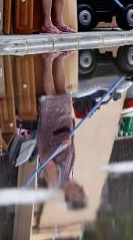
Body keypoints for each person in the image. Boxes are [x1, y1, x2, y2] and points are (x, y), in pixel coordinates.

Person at [37, 50, 87, 210]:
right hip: (64, 127)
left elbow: (44, 157)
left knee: (51, 97)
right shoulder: (68, 176)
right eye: (83, 192)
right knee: (63, 94)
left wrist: (63, 145)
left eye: (79, 193)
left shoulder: (56, 181)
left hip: (51, 132)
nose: (81, 189)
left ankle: (48, 59)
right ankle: (60, 59)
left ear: (70, 197)